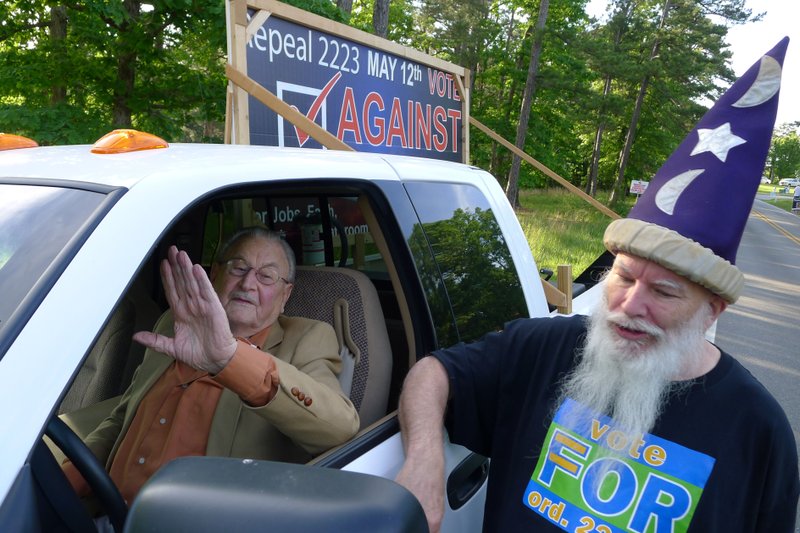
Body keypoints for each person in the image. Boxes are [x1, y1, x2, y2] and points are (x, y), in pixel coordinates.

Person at [396, 38, 799, 532]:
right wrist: (423, 461)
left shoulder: (757, 428)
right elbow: (433, 374)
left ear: (711, 311)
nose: (630, 303)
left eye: (664, 292)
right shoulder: (543, 348)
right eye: (624, 276)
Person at [64, 227, 360, 505]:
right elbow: (121, 420)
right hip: (106, 509)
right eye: (238, 268)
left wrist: (230, 358)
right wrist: (69, 481)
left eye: (267, 277)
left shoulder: (308, 337)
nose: (248, 284)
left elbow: (339, 429)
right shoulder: (174, 323)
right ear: (215, 274)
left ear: (285, 296)